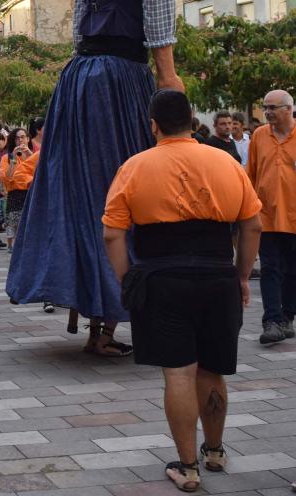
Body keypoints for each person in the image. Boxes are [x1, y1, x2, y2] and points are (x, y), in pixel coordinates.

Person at [7, 0, 182, 357]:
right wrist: (170, 82)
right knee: (130, 192)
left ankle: (92, 315)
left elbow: (82, 19)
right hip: (122, 79)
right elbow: (157, 22)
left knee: (80, 192)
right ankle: (117, 314)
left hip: (78, 79)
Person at [103, 89, 262, 492]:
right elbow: (252, 225)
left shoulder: (135, 167)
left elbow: (112, 234)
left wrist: (128, 281)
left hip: (161, 277)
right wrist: (242, 276)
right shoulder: (225, 161)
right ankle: (215, 451)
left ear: (153, 124)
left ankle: (187, 467)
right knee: (212, 368)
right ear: (192, 121)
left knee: (178, 372)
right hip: (217, 274)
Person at [247, 89, 296, 346]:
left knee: (292, 270)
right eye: (265, 107)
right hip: (266, 216)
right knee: (270, 268)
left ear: (289, 109)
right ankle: (272, 321)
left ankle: (288, 316)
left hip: (294, 217)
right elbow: (251, 174)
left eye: (272, 108)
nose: (267, 112)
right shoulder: (259, 136)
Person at [0, 127, 30, 252]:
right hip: (15, 194)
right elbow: (7, 177)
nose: (20, 140)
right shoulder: (7, 157)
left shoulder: (33, 155)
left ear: (28, 139)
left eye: (22, 137)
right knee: (16, 225)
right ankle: (17, 250)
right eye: (17, 138)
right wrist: (13, 159)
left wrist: (29, 155)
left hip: (30, 193)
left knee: (30, 224)